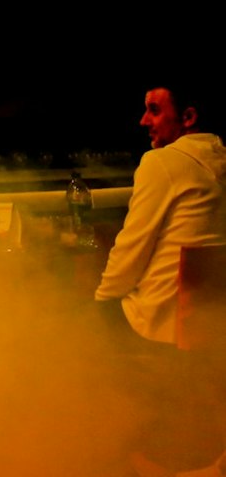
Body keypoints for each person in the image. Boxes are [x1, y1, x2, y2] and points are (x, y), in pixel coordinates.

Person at [96, 84, 226, 345]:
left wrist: (100, 300)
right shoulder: (220, 160)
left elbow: (131, 251)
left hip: (160, 328)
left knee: (73, 312)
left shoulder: (161, 163)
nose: (143, 121)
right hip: (212, 329)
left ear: (188, 117)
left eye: (154, 111)